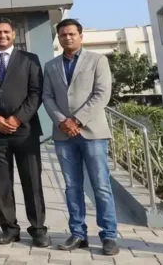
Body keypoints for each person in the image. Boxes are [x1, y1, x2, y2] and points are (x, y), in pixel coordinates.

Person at [0, 18, 50, 248]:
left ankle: (38, 229)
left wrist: (17, 118)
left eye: (6, 31)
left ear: (14, 34)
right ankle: (9, 228)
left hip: (24, 131)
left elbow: (36, 93)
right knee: (0, 184)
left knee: (32, 181)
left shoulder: (30, 60)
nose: (2, 35)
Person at [43, 18, 119, 256]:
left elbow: (102, 94)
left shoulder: (98, 60)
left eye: (72, 34)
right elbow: (47, 97)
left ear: (80, 36)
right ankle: (78, 233)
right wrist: (62, 121)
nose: (68, 37)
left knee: (101, 185)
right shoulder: (51, 65)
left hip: (92, 133)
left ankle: (109, 235)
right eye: (63, 34)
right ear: (59, 37)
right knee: (71, 186)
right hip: (64, 135)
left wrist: (76, 120)